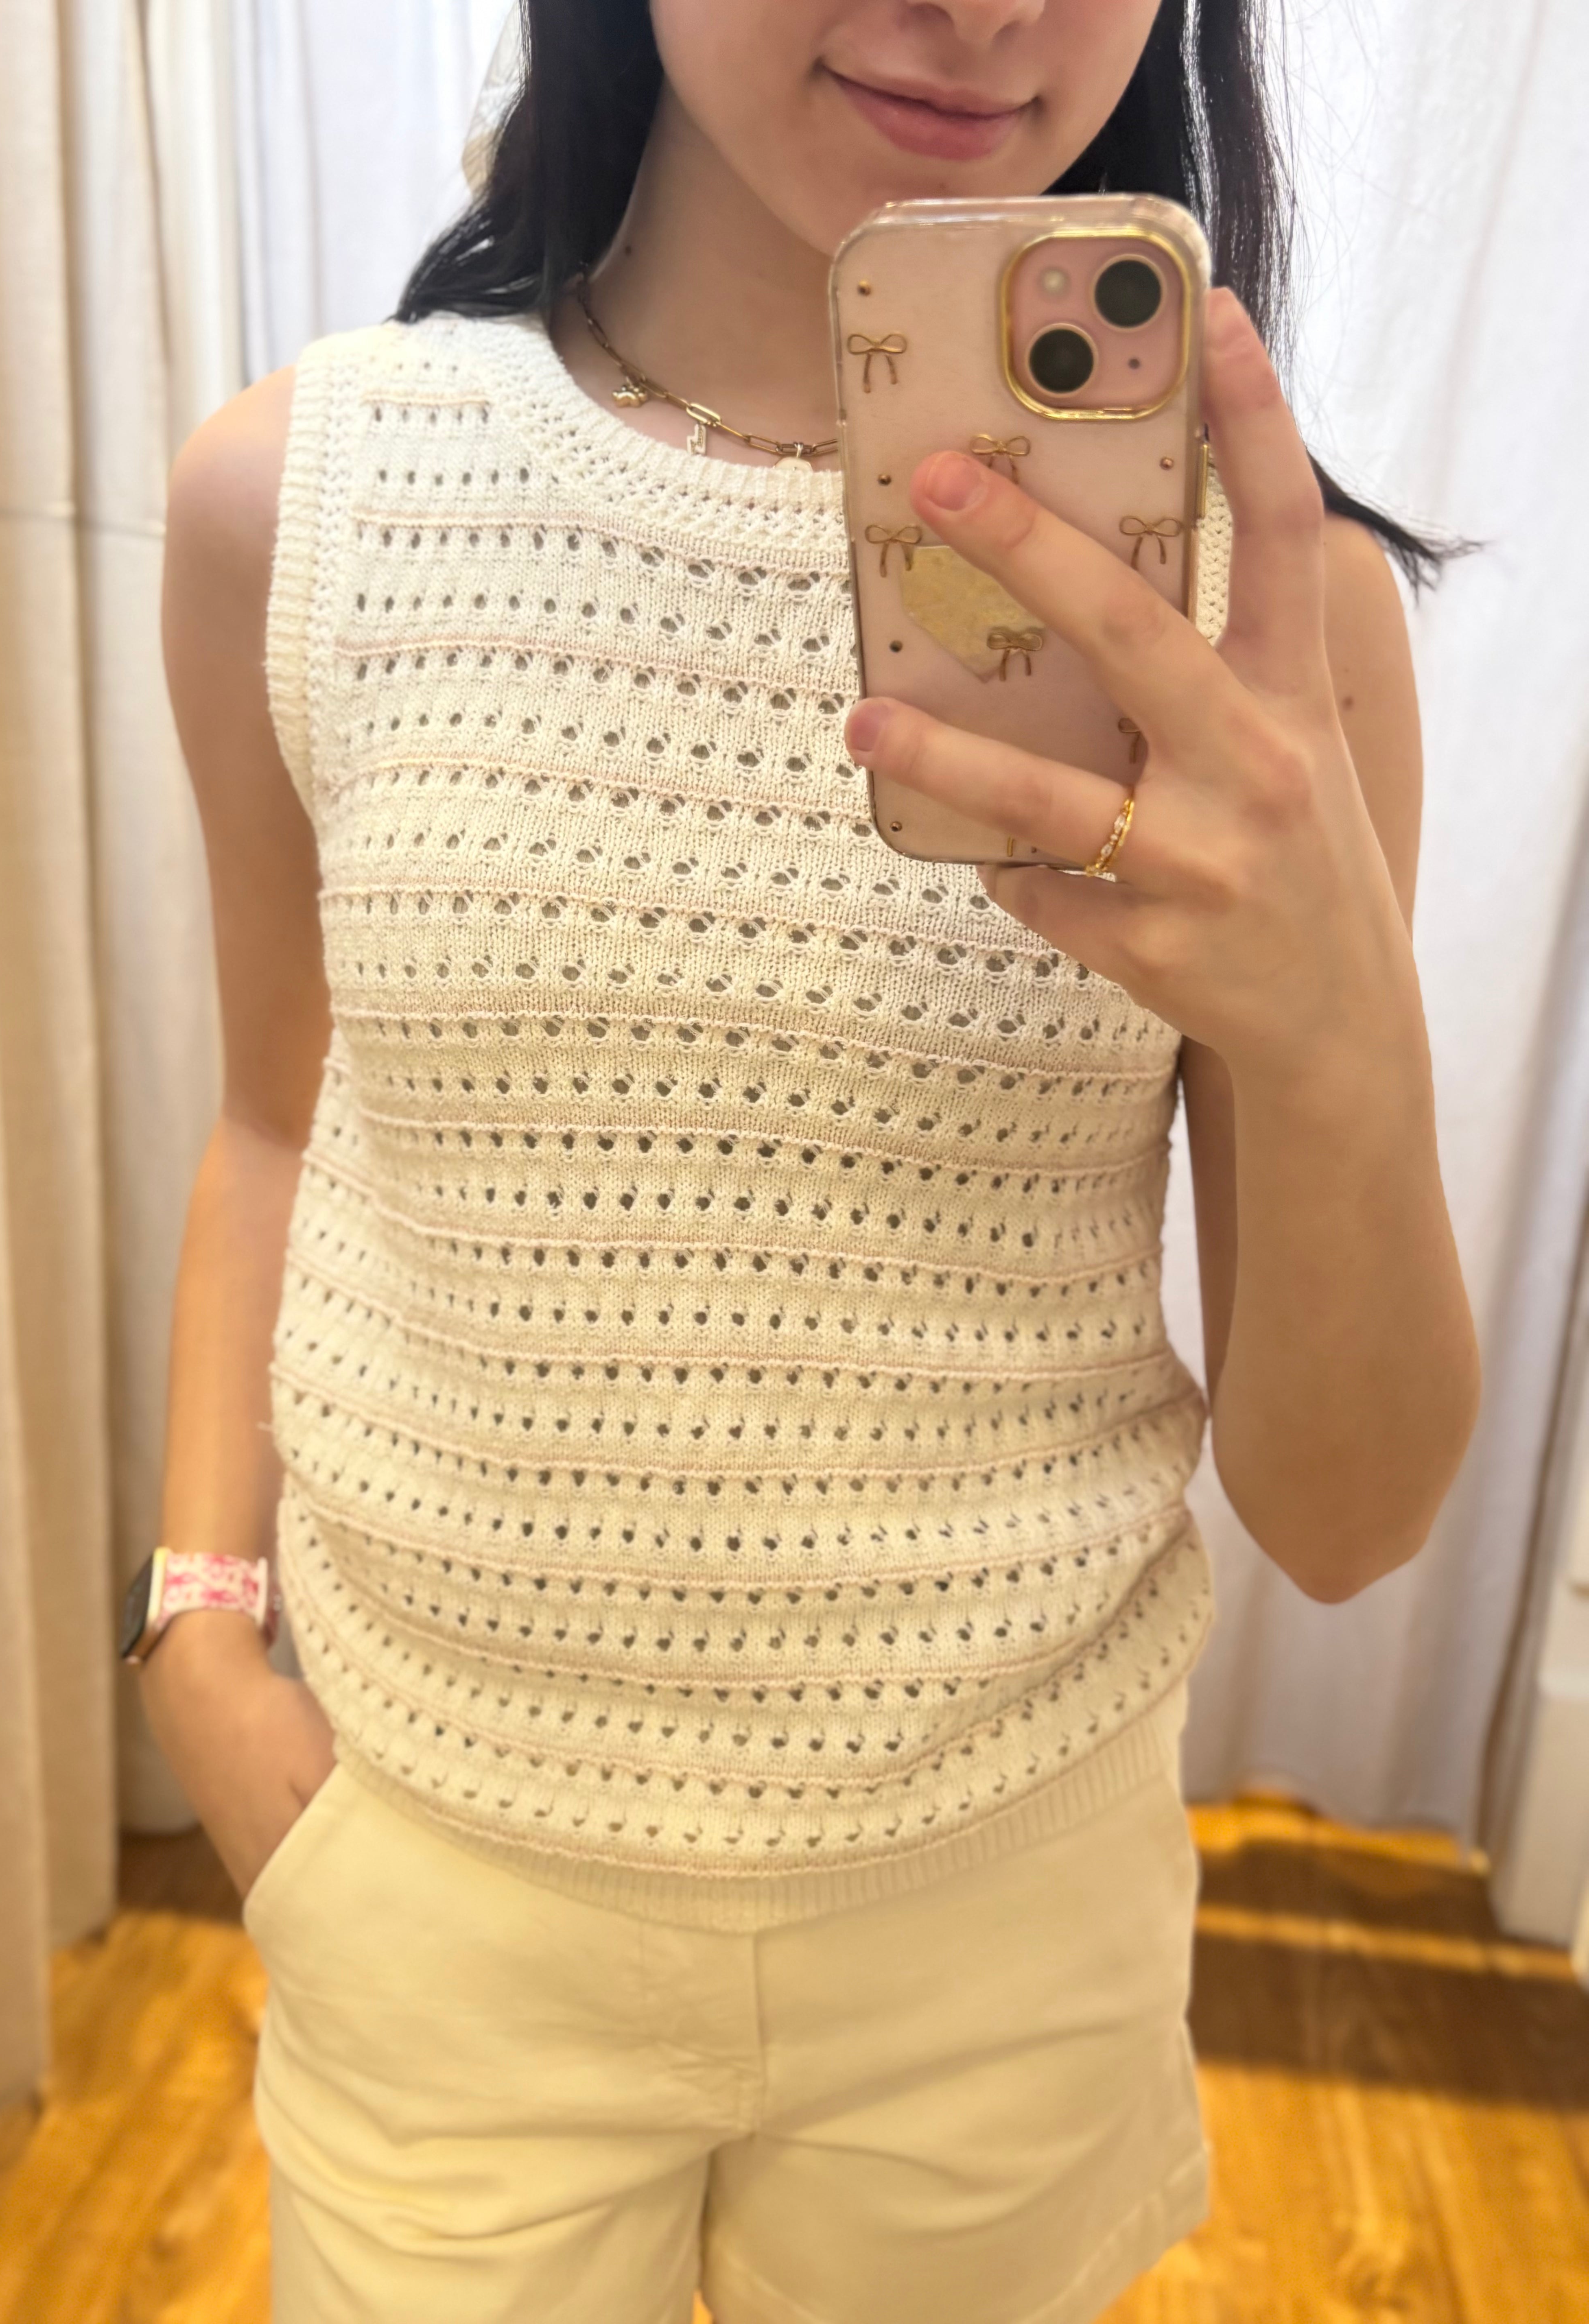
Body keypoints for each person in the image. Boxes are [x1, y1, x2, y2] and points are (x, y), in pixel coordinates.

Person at [143, 4, 1481, 2318]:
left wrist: (1349, 1036)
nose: (984, 7)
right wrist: (197, 1629)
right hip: (435, 1879)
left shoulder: (1275, 636)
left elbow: (1350, 1525)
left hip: (1002, 1924)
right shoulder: (304, 500)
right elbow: (277, 1114)